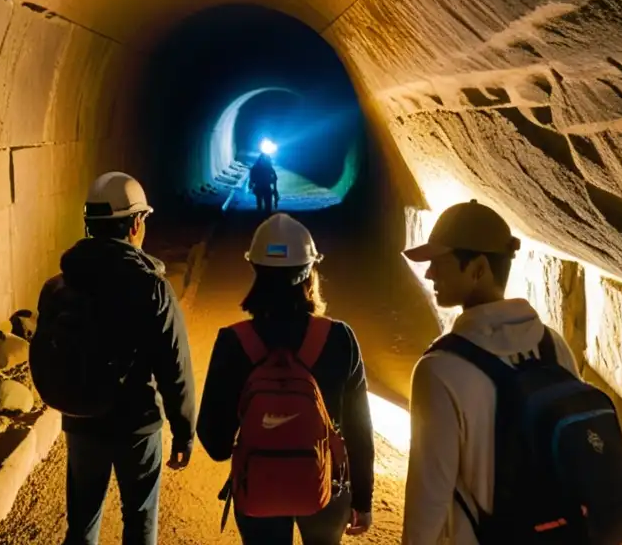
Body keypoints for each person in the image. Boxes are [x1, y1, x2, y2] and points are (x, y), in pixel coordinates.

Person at [400, 200, 622, 545]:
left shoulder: (439, 370)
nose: (430, 274)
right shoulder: (552, 345)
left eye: (440, 262)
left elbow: (430, 493)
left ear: (478, 268)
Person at [36, 172, 196, 545]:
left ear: (89, 225)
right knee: (139, 521)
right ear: (136, 223)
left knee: (82, 522)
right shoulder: (152, 287)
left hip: (82, 421)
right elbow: (175, 366)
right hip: (136, 426)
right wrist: (184, 430)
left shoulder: (58, 286)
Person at [197, 213, 374, 544]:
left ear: (255, 271)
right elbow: (359, 430)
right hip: (326, 487)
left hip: (259, 487)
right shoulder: (339, 338)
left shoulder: (235, 341)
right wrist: (362, 499)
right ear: (310, 271)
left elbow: (214, 439)